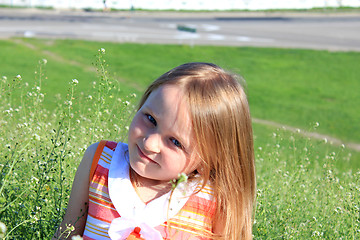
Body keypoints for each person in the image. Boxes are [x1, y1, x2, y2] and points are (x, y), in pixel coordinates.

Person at [53, 62, 256, 240]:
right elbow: (66, 234)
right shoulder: (100, 161)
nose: (150, 143)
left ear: (209, 159)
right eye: (150, 119)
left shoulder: (213, 198)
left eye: (175, 142)